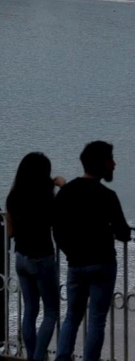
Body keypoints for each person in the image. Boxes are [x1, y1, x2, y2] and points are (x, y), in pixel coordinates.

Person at [53, 141, 131, 361]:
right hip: (103, 263)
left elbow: (57, 230)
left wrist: (71, 251)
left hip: (76, 264)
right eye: (111, 160)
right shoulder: (107, 195)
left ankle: (62, 357)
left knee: (72, 317)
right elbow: (124, 233)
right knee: (96, 320)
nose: (114, 165)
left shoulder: (66, 192)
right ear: (102, 164)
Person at [6, 153, 63, 361]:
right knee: (51, 312)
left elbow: (10, 232)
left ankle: (31, 354)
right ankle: (38, 357)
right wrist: (61, 187)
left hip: (21, 257)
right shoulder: (46, 197)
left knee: (30, 310)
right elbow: (61, 216)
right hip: (42, 258)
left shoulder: (13, 197)